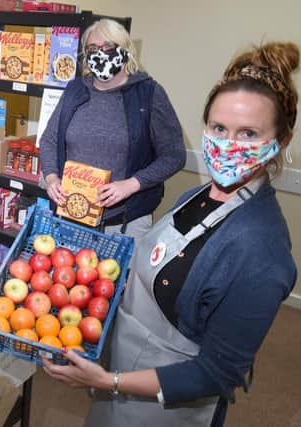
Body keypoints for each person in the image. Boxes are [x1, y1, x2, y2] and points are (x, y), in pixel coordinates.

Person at [42, 41, 299, 427]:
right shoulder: (195, 195)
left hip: (164, 407)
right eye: (219, 128)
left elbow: (217, 374)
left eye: (248, 134)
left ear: (281, 141)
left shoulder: (263, 252)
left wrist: (108, 380)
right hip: (119, 383)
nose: (228, 144)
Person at [39, 19, 186, 239]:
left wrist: (131, 185)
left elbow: (174, 155)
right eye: (92, 49)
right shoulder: (75, 89)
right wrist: (51, 179)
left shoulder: (148, 94)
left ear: (125, 51)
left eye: (108, 47)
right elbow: (49, 139)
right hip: (72, 214)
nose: (100, 54)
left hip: (125, 220)